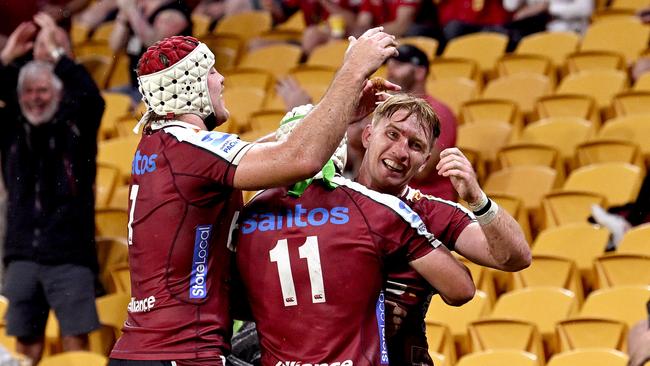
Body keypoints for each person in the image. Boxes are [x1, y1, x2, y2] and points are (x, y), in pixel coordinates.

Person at [109, 28, 399, 365]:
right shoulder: (189, 148)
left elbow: (270, 152)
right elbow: (299, 158)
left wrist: (340, 111)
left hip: (146, 349)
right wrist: (351, 73)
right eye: (212, 72)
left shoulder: (162, 145)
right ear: (190, 85)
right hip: (180, 351)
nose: (221, 80)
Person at [234, 100, 475, 365]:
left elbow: (233, 300)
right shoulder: (370, 208)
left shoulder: (249, 213)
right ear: (338, 146)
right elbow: (461, 288)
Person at [355, 94, 531, 365]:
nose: (401, 152)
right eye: (392, 134)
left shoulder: (434, 213)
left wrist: (477, 198)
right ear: (367, 136)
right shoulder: (328, 204)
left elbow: (516, 257)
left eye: (415, 145)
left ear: (424, 162)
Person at [0, 14, 104, 365]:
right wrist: (7, 57)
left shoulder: (77, 125)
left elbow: (91, 98)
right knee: (24, 351)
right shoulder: (12, 126)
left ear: (57, 91)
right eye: (28, 91)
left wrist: (59, 52)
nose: (35, 98)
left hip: (69, 256)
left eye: (43, 90)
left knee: (77, 347)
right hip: (22, 256)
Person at [384, 44, 458, 201]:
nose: (389, 73)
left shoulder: (439, 113)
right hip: (396, 201)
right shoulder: (388, 111)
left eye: (397, 66)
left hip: (429, 205)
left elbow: (423, 170)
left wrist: (380, 157)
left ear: (419, 72)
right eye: (389, 66)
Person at [109, 0, 192, 103]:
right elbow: (115, 46)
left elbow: (153, 43)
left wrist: (131, 10)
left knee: (117, 106)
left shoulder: (174, 11)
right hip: (137, 86)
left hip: (165, 90)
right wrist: (123, 17)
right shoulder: (138, 9)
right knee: (102, 100)